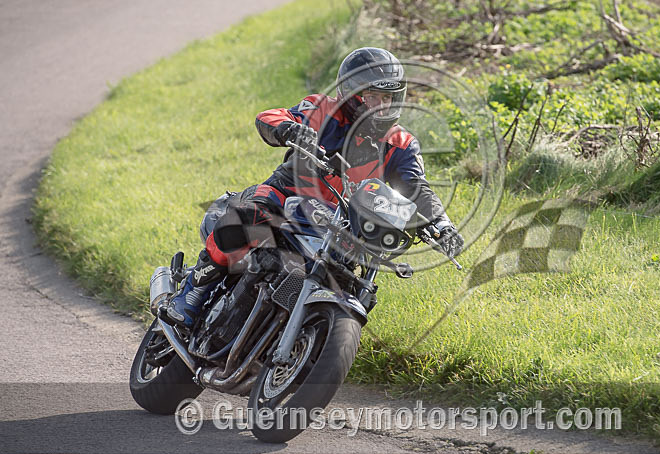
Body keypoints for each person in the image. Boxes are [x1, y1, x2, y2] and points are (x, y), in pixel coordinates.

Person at [162, 47, 464, 329]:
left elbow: (416, 187)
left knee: (356, 281)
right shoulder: (322, 109)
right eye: (374, 97)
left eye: (389, 97)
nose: (382, 105)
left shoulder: (401, 143)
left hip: (341, 222)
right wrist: (288, 128)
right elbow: (271, 116)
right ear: (352, 94)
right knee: (248, 213)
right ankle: (193, 292)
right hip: (288, 196)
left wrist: (441, 224)